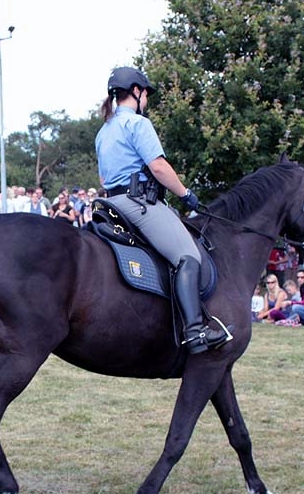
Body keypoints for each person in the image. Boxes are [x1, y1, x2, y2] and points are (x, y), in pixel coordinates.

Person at [96, 66, 229, 352]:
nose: (147, 100)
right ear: (136, 91)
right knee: (187, 256)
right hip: (138, 204)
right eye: (146, 94)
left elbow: (103, 180)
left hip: (110, 202)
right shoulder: (138, 124)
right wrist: (186, 194)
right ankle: (195, 331)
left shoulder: (104, 130)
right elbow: (158, 166)